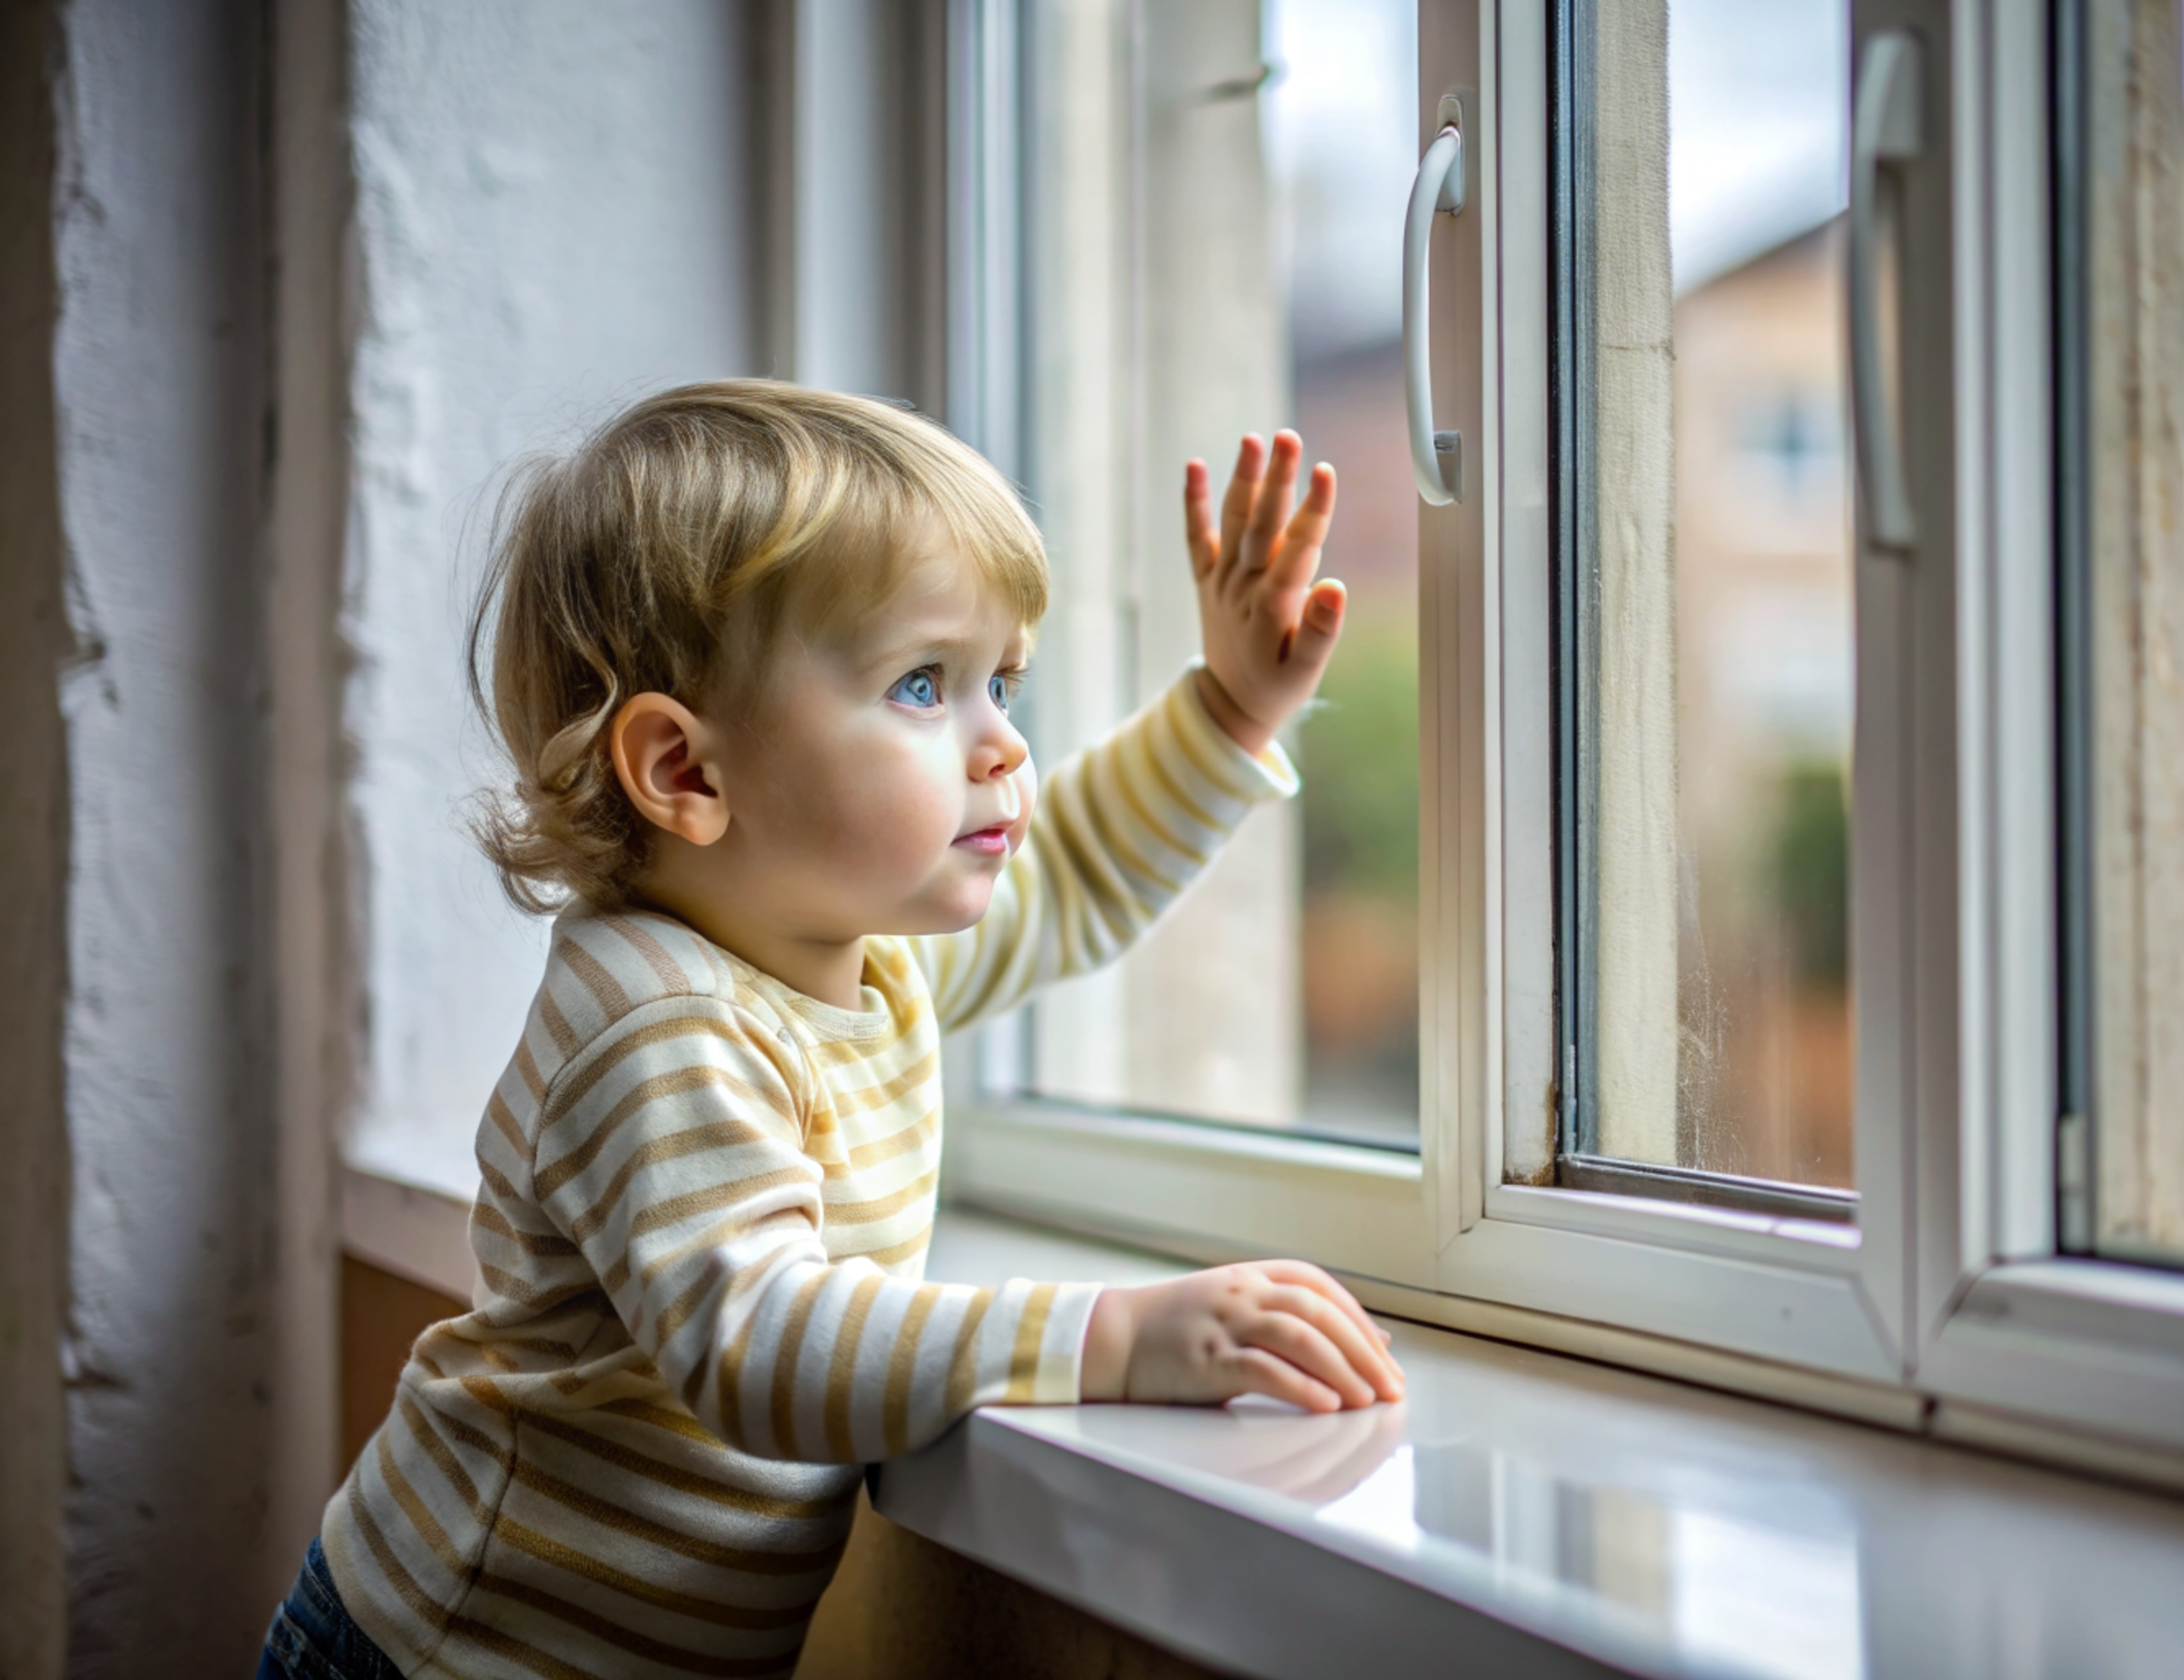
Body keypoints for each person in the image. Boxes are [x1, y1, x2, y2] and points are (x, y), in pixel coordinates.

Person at [257, 382, 1405, 1680]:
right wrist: (1114, 1338)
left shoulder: (858, 968)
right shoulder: (655, 1019)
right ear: (686, 771)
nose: (1004, 752)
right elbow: (760, 1341)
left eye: (1003, 687)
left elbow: (1073, 874)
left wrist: (1232, 709)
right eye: (926, 684)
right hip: (444, 1654)